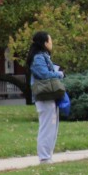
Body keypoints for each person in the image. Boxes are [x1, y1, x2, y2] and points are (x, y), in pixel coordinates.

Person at [26, 31, 65, 163]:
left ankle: (48, 156)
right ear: (44, 43)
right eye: (50, 40)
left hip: (49, 96)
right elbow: (44, 74)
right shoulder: (38, 58)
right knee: (47, 127)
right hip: (44, 96)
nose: (51, 43)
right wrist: (59, 74)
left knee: (52, 127)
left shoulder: (43, 56)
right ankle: (44, 157)